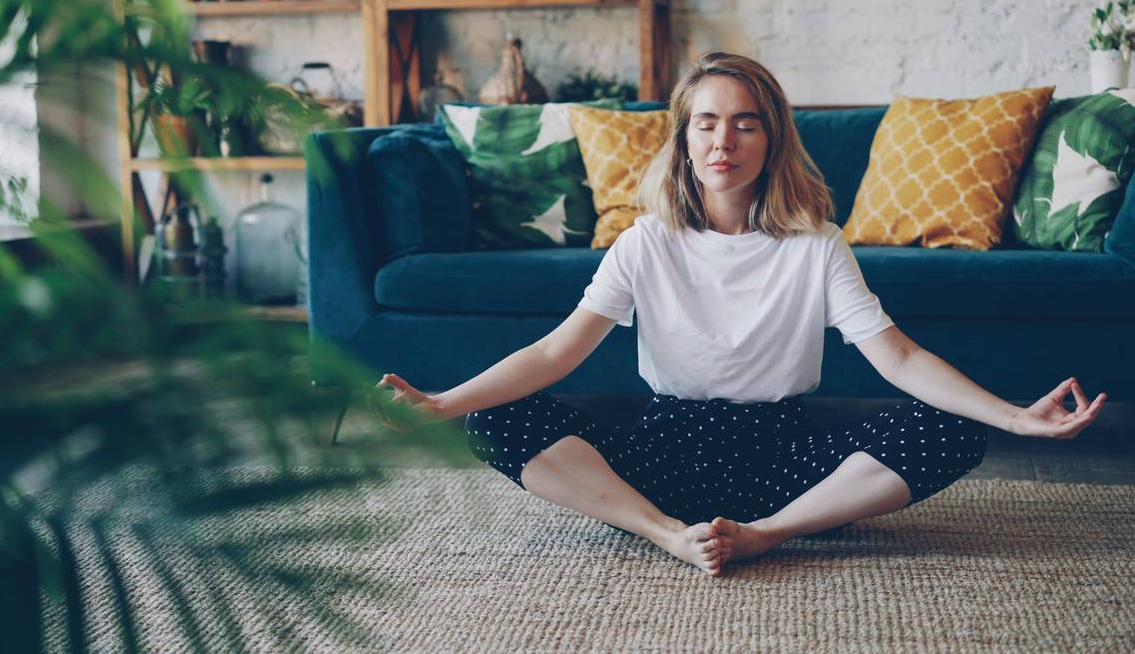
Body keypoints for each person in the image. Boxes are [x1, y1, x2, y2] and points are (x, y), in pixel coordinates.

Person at [366, 52, 1108, 578]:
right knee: (494, 417)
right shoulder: (645, 242)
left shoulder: (816, 244)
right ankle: (665, 534)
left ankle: (764, 536)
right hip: (658, 464)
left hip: (785, 468)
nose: (725, 140)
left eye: (746, 124)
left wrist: (1015, 417)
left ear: (771, 139)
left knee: (954, 426)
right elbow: (557, 353)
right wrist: (442, 403)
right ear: (684, 140)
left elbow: (901, 358)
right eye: (707, 123)